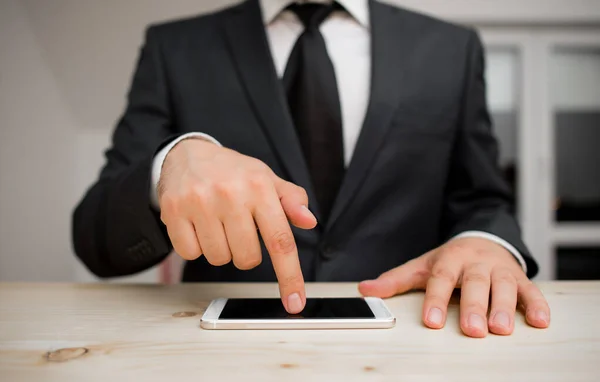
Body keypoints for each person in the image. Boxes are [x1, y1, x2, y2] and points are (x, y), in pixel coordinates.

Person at [72, 0, 550, 338]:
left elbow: (484, 199)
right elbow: (93, 237)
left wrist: (488, 242)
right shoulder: (174, 48)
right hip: (222, 354)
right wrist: (166, 168)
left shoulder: (451, 48)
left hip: (410, 343)